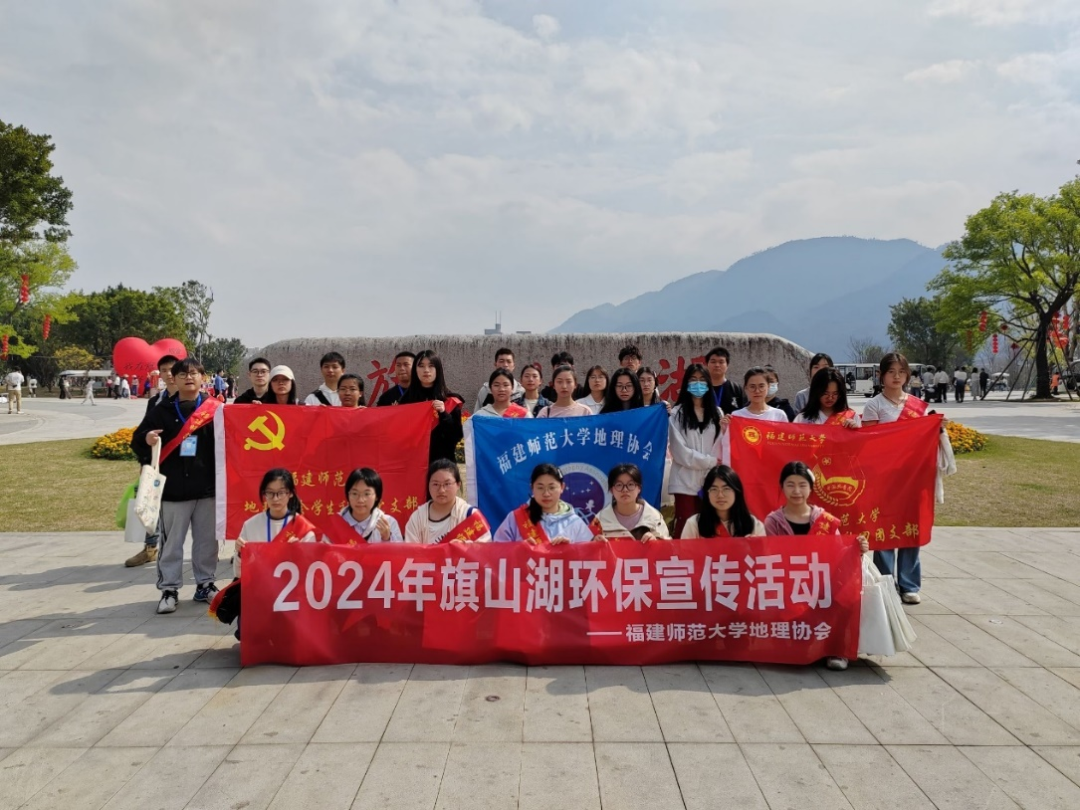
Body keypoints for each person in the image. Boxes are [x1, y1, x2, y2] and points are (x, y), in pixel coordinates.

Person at [133, 358, 223, 614]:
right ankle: (169, 589)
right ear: (174, 378)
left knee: (207, 542)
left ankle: (205, 584)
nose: (188, 378)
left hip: (207, 488)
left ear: (203, 377)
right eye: (182, 374)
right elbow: (137, 438)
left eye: (193, 373)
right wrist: (147, 438)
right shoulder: (162, 410)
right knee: (171, 543)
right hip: (173, 490)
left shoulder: (216, 409)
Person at [763, 461, 871, 670]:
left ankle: (837, 649)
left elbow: (839, 552)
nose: (796, 491)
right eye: (790, 485)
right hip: (789, 582)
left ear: (811, 488)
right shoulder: (773, 522)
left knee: (845, 594)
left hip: (823, 581)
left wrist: (858, 549)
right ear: (782, 487)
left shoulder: (824, 520)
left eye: (802, 485)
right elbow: (770, 557)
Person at [861, 352, 932, 604]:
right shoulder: (874, 406)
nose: (896, 376)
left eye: (901, 372)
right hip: (885, 478)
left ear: (907, 375)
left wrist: (937, 428)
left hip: (912, 477)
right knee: (884, 529)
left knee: (911, 528)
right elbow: (869, 444)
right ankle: (885, 583)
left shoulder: (917, 405)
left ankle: (909, 585)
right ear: (881, 375)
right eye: (891, 372)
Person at [125, 353, 183, 568]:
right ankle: (150, 548)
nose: (169, 374)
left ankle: (192, 551)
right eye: (164, 370)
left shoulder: (195, 400)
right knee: (152, 504)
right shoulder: (155, 402)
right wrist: (145, 462)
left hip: (186, 465)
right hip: (160, 462)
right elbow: (143, 432)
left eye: (173, 369)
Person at [667, 363, 723, 537]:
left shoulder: (718, 414)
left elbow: (720, 445)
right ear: (686, 383)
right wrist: (710, 461)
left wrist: (712, 464)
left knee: (710, 530)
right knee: (685, 529)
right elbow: (679, 451)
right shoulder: (677, 413)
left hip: (711, 482)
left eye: (702, 380)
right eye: (693, 380)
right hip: (684, 482)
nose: (698, 384)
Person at [233, 469, 318, 578]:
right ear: (264, 494)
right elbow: (239, 574)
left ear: (290, 493)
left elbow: (311, 574)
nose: (275, 498)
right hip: (259, 587)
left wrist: (299, 555)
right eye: (270, 493)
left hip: (291, 587)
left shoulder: (304, 530)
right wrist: (240, 554)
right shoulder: (250, 526)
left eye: (281, 493)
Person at [493, 463, 595, 543]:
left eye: (552, 487)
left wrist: (568, 551)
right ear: (532, 488)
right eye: (540, 488)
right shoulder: (516, 518)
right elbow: (497, 552)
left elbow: (589, 556)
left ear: (562, 487)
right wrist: (520, 549)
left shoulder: (574, 522)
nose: (546, 494)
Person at [400, 350, 465, 463]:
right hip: (414, 462)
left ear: (438, 369)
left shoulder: (450, 400)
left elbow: (456, 435)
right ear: (415, 370)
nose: (426, 370)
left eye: (431, 366)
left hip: (443, 462)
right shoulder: (406, 401)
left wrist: (444, 414)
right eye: (421, 366)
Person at [403, 459, 491, 543]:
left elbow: (485, 549)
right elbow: (411, 551)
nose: (441, 490)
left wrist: (464, 547)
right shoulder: (417, 518)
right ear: (428, 485)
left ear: (458, 485)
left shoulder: (470, 515)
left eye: (447, 484)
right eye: (435, 484)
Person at [321, 468, 403, 544]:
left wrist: (387, 539)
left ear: (377, 496)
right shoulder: (335, 524)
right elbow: (326, 554)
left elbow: (400, 553)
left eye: (367, 494)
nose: (360, 500)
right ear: (348, 495)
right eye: (355, 493)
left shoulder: (389, 523)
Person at [589, 463, 670, 541]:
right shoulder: (600, 520)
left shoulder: (654, 517)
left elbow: (668, 546)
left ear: (639, 488)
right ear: (611, 490)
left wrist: (657, 541)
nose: (625, 490)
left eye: (630, 484)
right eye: (619, 485)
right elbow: (587, 546)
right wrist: (595, 543)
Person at [680, 465, 765, 538]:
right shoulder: (694, 524)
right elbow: (685, 552)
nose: (720, 495)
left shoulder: (753, 525)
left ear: (736, 492)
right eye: (714, 489)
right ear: (707, 493)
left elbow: (764, 552)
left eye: (726, 489)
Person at [794, 367, 861, 428]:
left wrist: (855, 431)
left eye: (835, 394)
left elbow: (860, 437)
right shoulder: (803, 419)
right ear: (816, 392)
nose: (830, 398)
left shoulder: (851, 417)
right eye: (825, 393)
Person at [474, 347, 525, 412]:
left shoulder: (521, 392)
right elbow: (477, 414)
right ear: (495, 364)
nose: (505, 365)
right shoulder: (485, 390)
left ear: (513, 366)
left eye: (509, 362)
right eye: (501, 361)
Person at [705, 346, 747, 414]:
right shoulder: (701, 388)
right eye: (713, 362)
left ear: (727, 365)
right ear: (707, 365)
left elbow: (745, 412)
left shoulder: (736, 389)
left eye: (721, 362)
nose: (717, 365)